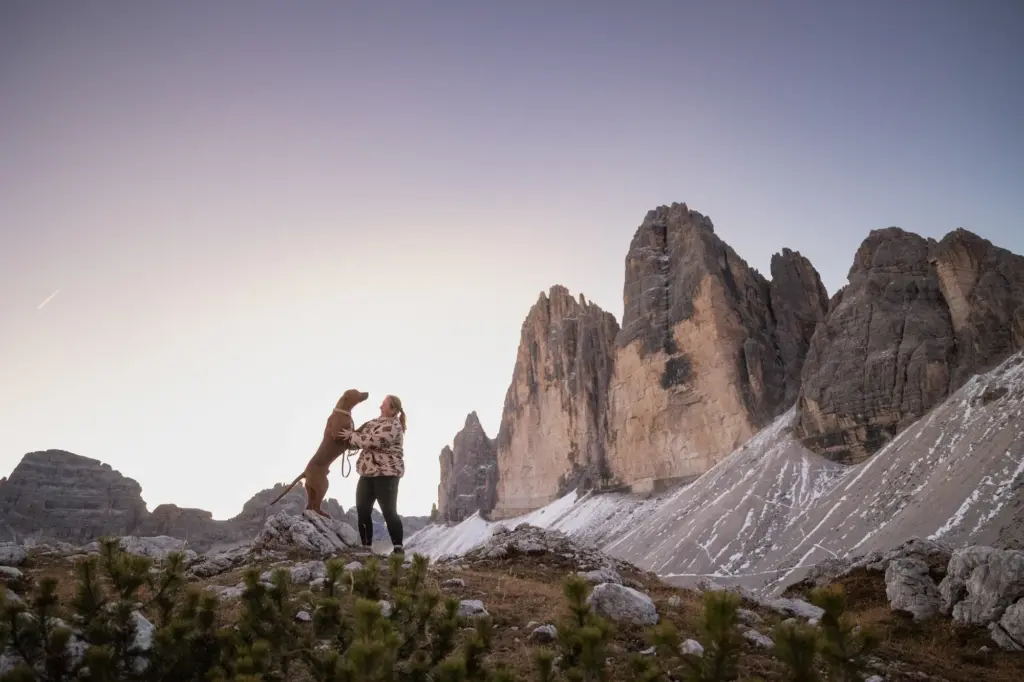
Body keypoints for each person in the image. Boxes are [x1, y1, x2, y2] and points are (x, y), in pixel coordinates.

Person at [338, 394, 407, 554]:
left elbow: (373, 442)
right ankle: (366, 547)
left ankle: (398, 548)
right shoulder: (373, 423)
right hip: (367, 472)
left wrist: (354, 436)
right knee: (362, 509)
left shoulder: (394, 426)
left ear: (393, 410)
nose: (380, 406)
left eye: (384, 404)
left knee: (389, 512)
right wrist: (349, 437)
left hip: (387, 474)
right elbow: (358, 438)